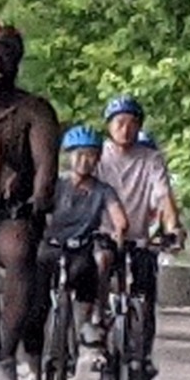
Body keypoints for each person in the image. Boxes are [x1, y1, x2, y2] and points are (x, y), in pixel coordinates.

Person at [0, 21, 59, 380]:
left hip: (6, 213)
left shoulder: (33, 111)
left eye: (5, 56)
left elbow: (46, 164)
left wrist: (38, 197)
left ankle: (4, 357)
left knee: (20, 254)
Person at [98, 95, 183, 380]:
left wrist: (172, 228)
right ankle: (100, 343)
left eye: (133, 123)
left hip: (139, 238)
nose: (126, 129)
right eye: (120, 122)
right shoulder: (98, 156)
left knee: (145, 298)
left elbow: (163, 196)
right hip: (104, 236)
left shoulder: (151, 159)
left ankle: (142, 357)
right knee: (100, 279)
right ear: (109, 126)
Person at [45, 125, 133, 335]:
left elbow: (119, 218)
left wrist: (119, 232)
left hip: (82, 249)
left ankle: (92, 319)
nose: (84, 161)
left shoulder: (103, 190)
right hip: (53, 246)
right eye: (79, 155)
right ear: (69, 156)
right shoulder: (55, 185)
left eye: (91, 155)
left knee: (92, 268)